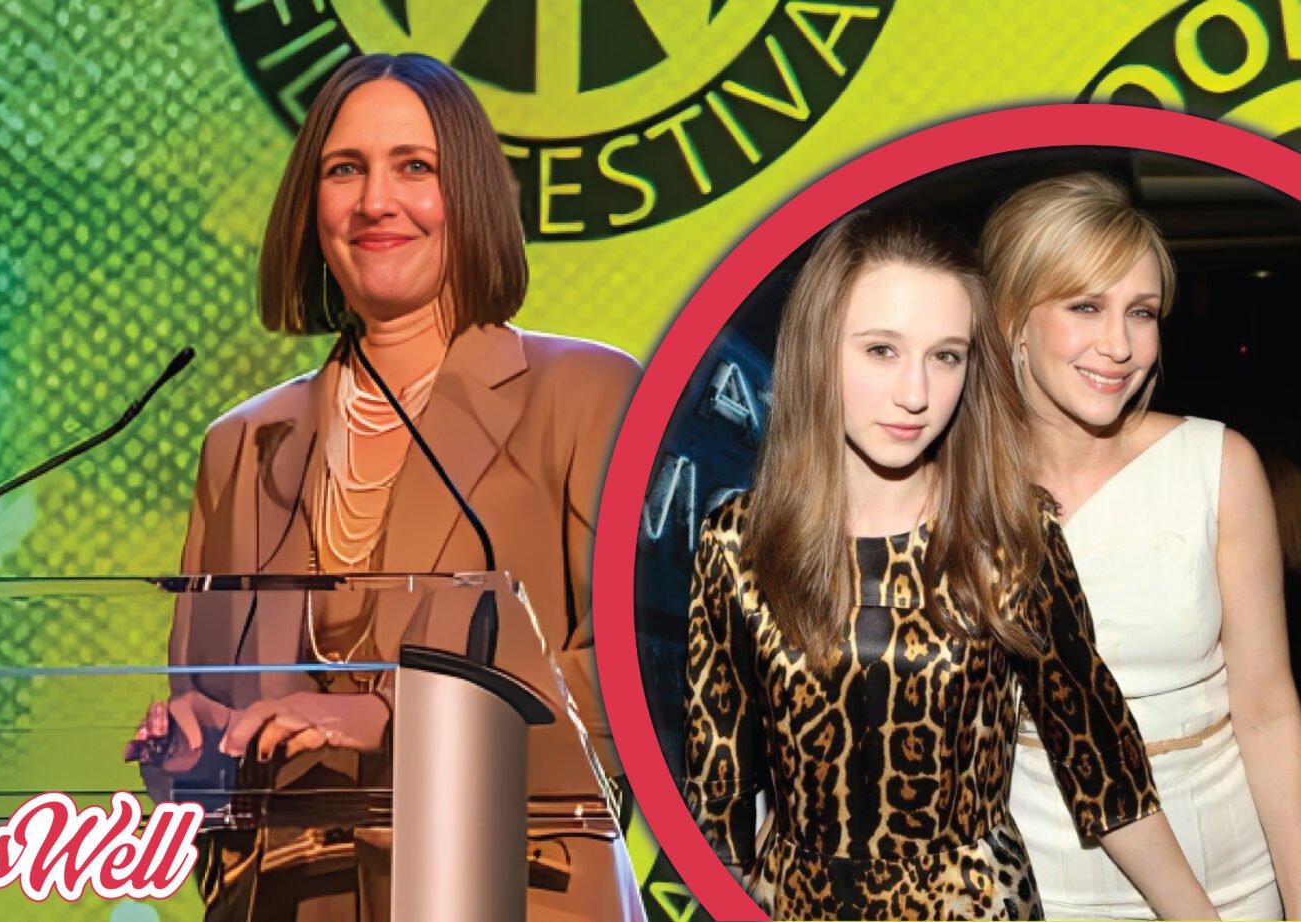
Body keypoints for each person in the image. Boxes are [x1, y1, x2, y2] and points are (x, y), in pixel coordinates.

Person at [128, 53, 644, 921]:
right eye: (344, 170)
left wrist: (399, 718)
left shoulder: (586, 395)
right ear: (310, 206)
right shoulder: (241, 444)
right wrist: (190, 760)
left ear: (470, 193)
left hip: (509, 894)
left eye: (415, 167)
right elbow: (208, 724)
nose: (375, 201)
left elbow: (638, 687)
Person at [682, 208, 1217, 920]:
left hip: (977, 906)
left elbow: (1103, 767)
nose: (916, 394)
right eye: (881, 350)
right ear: (818, 349)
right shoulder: (736, 545)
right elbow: (717, 797)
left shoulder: (1011, 536)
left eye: (946, 356)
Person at [983, 172, 1301, 919]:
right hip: (1039, 884)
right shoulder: (958, 491)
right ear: (1011, 320)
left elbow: (1266, 708)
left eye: (1143, 311)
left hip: (1233, 870)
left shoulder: (1217, 465)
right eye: (1085, 306)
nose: (1120, 344)